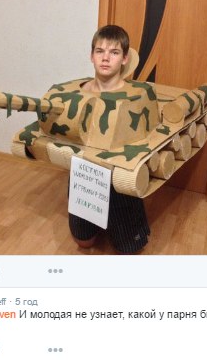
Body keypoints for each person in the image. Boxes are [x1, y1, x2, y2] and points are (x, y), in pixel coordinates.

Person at [69, 25, 150, 254]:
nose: (105, 58)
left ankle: (119, 222)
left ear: (124, 59)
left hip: (118, 176)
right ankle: (94, 222)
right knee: (83, 242)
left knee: (129, 249)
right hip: (85, 173)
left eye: (114, 52)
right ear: (91, 56)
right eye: (99, 51)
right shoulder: (78, 90)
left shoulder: (135, 96)